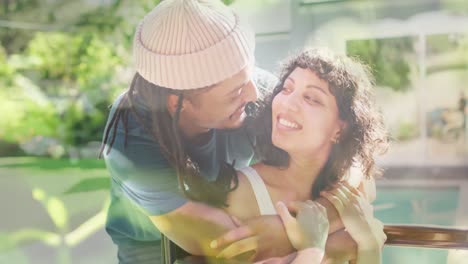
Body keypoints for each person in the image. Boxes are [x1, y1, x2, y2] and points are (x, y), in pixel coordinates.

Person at [100, 0, 294, 263]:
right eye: (236, 92)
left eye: (249, 77)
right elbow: (229, 244)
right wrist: (308, 232)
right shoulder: (130, 139)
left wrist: (326, 219)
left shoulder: (250, 90)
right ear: (177, 103)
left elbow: (343, 157)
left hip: (235, 215)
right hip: (150, 248)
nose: (254, 94)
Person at [216, 48, 388, 263]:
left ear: (340, 129)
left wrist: (368, 243)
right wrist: (315, 248)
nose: (287, 103)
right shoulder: (241, 194)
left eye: (311, 98)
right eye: (286, 89)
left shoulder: (348, 192)